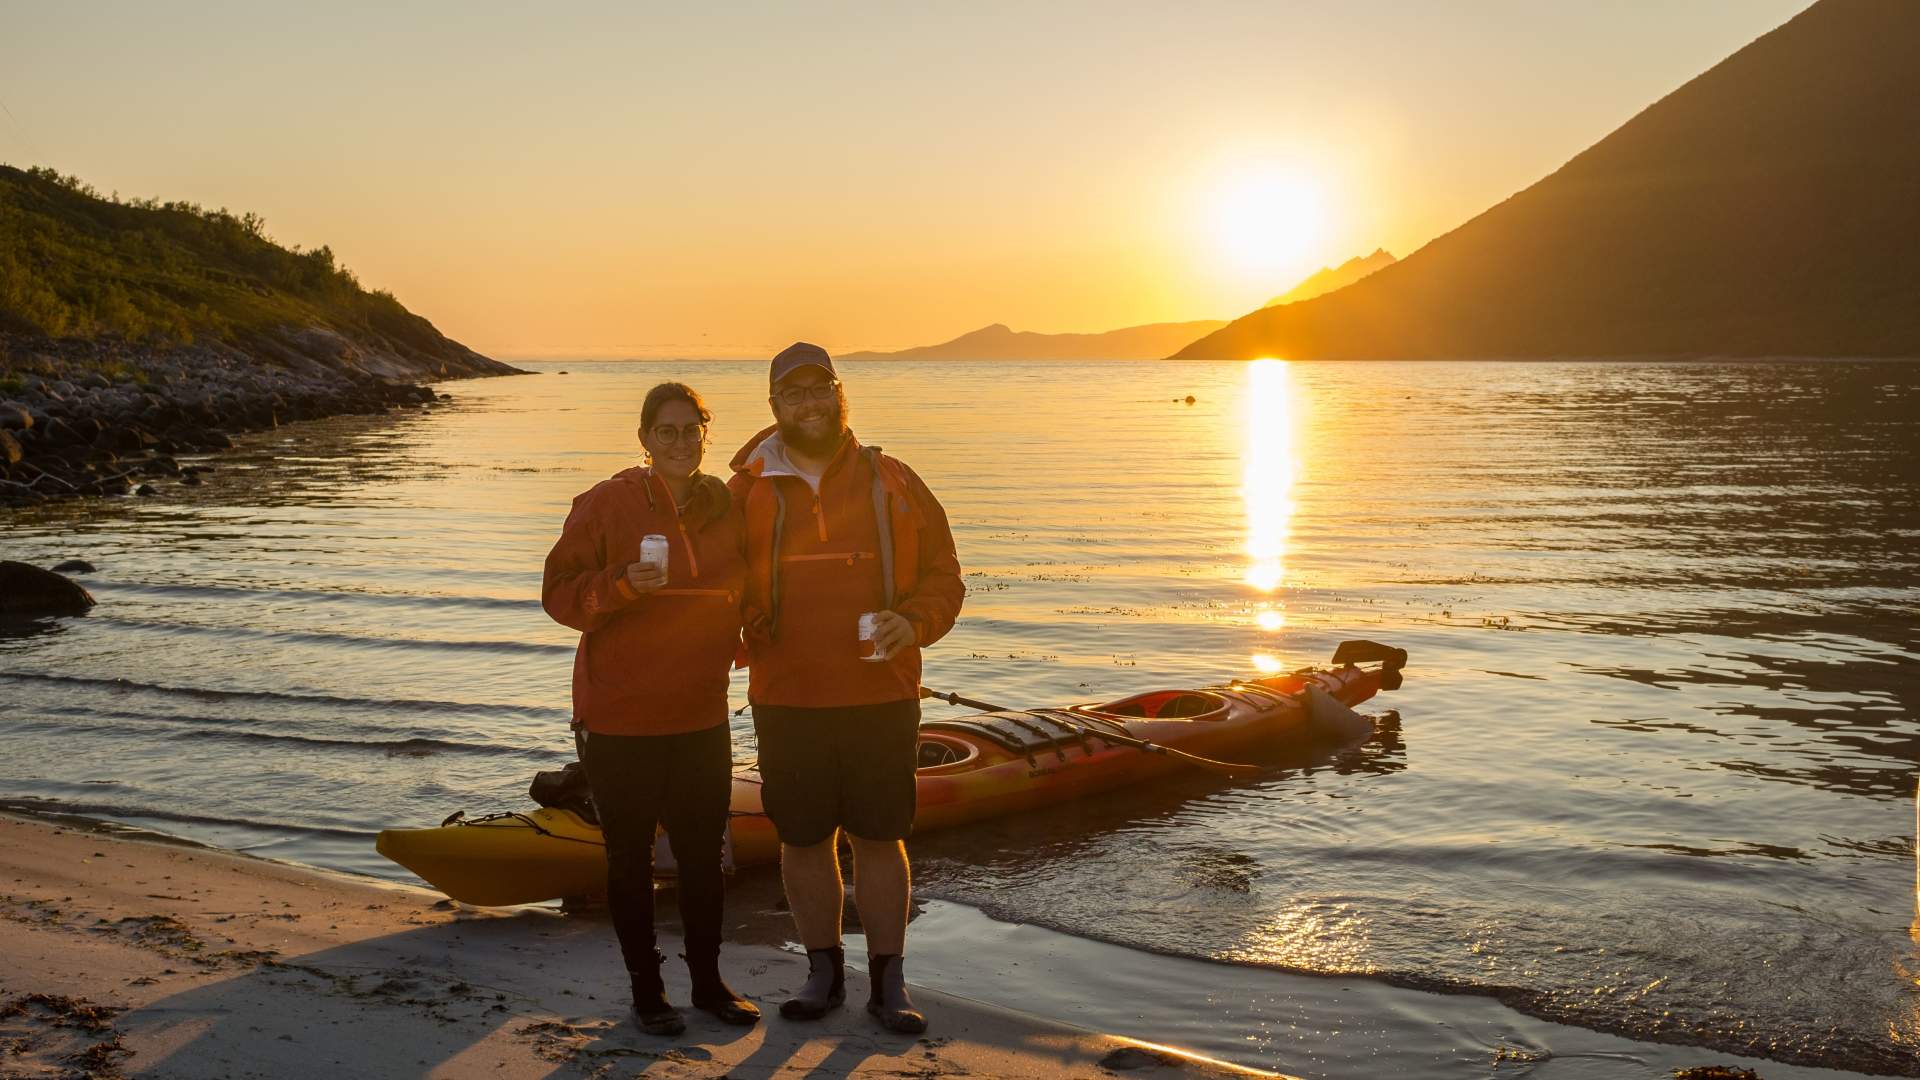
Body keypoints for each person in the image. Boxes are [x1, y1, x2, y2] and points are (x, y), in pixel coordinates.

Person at [727, 342, 965, 1033]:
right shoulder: (743, 491)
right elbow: (712, 581)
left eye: (819, 389)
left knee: (879, 837)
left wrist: (913, 622)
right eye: (793, 394)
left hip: (881, 695)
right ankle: (823, 970)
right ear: (774, 406)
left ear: (839, 394)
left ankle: (889, 982)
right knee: (802, 840)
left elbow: (945, 574)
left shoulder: (892, 480)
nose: (809, 404)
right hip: (786, 697)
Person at [541, 382, 759, 1036]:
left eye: (691, 429)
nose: (680, 441)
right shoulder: (607, 504)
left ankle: (708, 982)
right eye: (666, 431)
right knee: (630, 860)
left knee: (702, 857)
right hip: (619, 718)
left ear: (704, 435)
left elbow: (736, 589)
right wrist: (618, 586)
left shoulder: (723, 507)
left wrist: (750, 631)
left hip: (699, 714)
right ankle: (646, 991)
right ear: (643, 439)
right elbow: (558, 594)